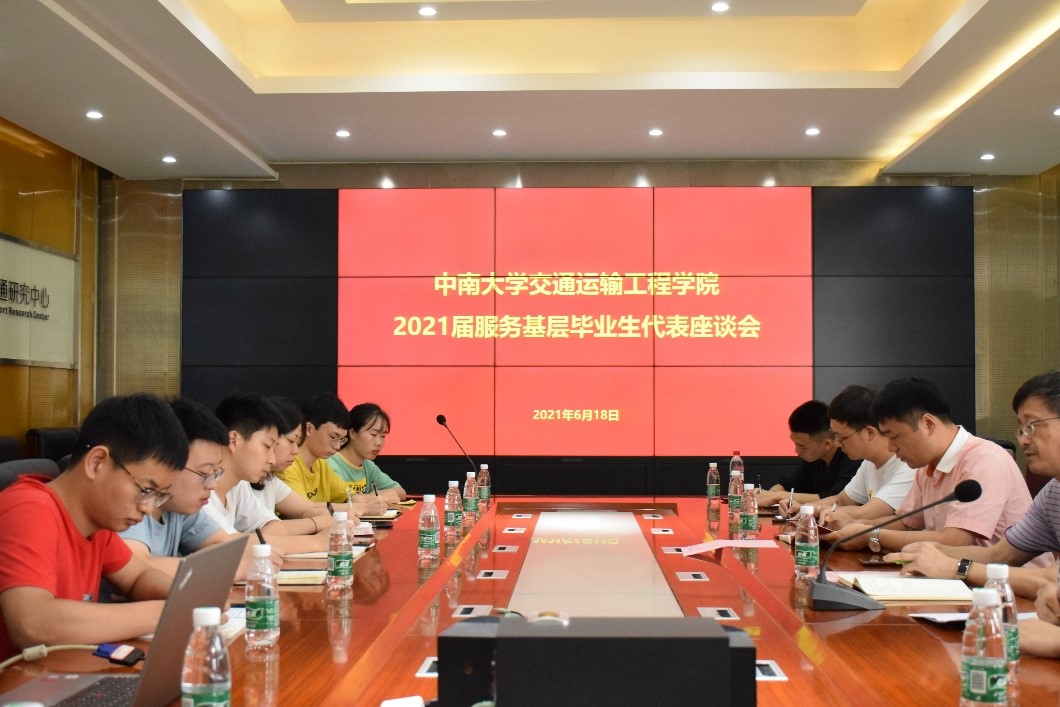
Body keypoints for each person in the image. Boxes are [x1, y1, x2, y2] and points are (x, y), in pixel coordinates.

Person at [0, 394, 186, 659]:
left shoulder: (97, 524)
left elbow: (138, 578)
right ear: (97, 462)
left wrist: (185, 597)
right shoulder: (29, 509)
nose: (147, 508)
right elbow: (32, 623)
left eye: (157, 496)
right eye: (145, 490)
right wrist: (166, 612)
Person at [885, 370, 1059, 600]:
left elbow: (1053, 580)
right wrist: (931, 551)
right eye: (1021, 429)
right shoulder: (1052, 493)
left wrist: (957, 567)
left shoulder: (986, 459)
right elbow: (999, 556)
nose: (1023, 439)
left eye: (1032, 426)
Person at [826, 377, 1035, 554]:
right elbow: (907, 524)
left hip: (1006, 586)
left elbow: (954, 541)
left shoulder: (984, 461)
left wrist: (869, 535)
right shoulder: (925, 466)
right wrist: (857, 526)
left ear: (928, 423)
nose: (890, 447)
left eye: (894, 436)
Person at [112, 399, 273, 592]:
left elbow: (224, 547)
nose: (212, 485)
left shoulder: (178, 508)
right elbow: (138, 567)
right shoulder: (128, 505)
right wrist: (221, 568)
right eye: (204, 473)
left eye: (215, 473)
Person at [209, 394, 332, 553]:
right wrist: (316, 542)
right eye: (267, 446)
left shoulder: (238, 485)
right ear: (234, 440)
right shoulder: (201, 490)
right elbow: (229, 546)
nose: (272, 460)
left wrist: (253, 541)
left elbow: (274, 525)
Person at [782, 385, 915, 523]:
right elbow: (842, 500)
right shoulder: (868, 463)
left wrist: (816, 509)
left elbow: (866, 513)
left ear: (869, 432)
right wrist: (805, 508)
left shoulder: (908, 466)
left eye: (841, 437)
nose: (837, 444)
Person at [278, 393, 388, 517]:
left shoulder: (321, 464)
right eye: (333, 437)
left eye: (342, 440)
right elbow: (306, 509)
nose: (337, 446)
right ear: (309, 429)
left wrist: (358, 500)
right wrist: (362, 507)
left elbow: (348, 495)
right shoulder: (287, 465)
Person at [249, 396, 351, 523]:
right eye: (268, 445)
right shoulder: (241, 485)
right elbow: (268, 530)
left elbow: (308, 509)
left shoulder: (270, 480)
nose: (295, 451)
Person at [755, 400, 860, 508]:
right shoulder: (815, 458)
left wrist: (778, 496)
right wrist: (769, 495)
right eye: (795, 443)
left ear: (827, 444)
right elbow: (788, 484)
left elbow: (836, 498)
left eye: (802, 446)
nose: (796, 450)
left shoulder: (852, 457)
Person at [329, 403, 406, 504]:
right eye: (373, 434)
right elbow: (349, 501)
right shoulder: (331, 464)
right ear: (352, 433)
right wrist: (377, 497)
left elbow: (401, 492)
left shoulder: (367, 465)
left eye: (383, 436)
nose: (379, 443)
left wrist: (373, 496)